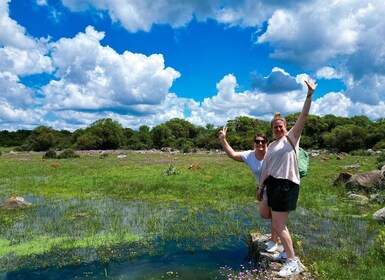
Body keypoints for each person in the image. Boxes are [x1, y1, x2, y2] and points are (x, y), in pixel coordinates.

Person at [259, 77, 316, 277]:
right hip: (273, 185)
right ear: (272, 129)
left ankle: (293, 261)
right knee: (273, 220)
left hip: (287, 185)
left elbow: (304, 115)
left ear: (285, 127)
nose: (278, 129)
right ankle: (285, 253)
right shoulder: (272, 146)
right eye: (275, 127)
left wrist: (309, 94)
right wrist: (261, 187)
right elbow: (267, 168)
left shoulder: (291, 138)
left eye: (281, 126)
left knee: (279, 225)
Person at [218, 127, 279, 252]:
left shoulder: (272, 153)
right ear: (254, 143)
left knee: (275, 215)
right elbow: (233, 154)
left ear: (267, 143)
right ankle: (275, 236)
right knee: (264, 213)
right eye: (257, 141)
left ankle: (274, 241)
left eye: (263, 141)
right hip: (264, 190)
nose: (260, 144)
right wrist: (223, 140)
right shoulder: (249, 155)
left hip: (276, 188)